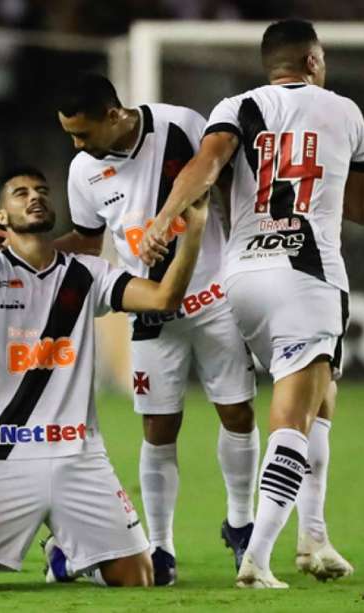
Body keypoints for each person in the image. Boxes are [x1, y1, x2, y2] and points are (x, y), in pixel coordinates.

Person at [139, 19, 364, 588]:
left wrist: (165, 216)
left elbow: (208, 164)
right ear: (314, 61)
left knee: (321, 399)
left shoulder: (237, 104)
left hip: (240, 277)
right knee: (293, 416)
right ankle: (258, 558)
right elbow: (363, 209)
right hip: (307, 272)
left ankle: (313, 536)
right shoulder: (345, 111)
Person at [0, 164, 210, 590]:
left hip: (80, 458)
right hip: (4, 458)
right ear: (1, 218)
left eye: (41, 190)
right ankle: (66, 550)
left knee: (139, 579)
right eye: (19, 193)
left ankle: (68, 560)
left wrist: (197, 229)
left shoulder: (87, 273)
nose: (34, 196)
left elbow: (164, 298)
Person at [49, 74, 259, 584]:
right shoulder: (83, 171)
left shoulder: (180, 124)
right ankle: (161, 547)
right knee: (159, 428)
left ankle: (241, 524)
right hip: (149, 311)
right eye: (70, 136)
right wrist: (32, 253)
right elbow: (89, 238)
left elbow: (217, 176)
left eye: (83, 134)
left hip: (213, 297)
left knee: (237, 411)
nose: (77, 146)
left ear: (114, 116)